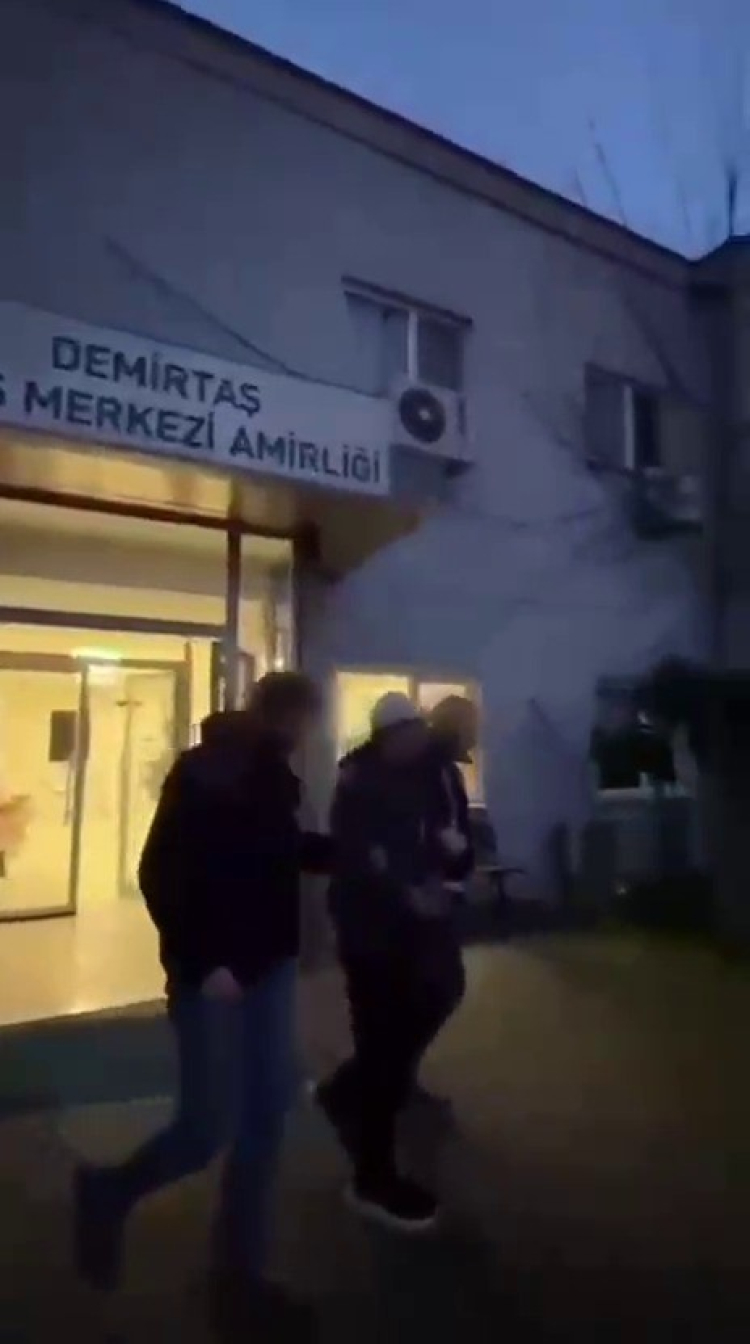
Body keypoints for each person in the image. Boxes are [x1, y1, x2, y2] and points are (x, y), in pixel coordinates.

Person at [73, 672, 329, 1329]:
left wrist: (339, 854)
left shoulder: (275, 778)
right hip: (212, 979)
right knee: (206, 1127)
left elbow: (272, 854)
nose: (311, 733)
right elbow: (159, 871)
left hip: (269, 967)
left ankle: (240, 1275)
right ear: (287, 716)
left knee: (266, 1118)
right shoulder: (207, 772)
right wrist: (204, 959)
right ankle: (108, 1192)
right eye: (308, 720)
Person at [315, 692, 467, 1234]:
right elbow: (359, 854)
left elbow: (445, 834)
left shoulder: (428, 773)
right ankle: (372, 1177)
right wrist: (407, 891)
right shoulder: (360, 781)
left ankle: (352, 1088)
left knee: (440, 992)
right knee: (380, 1042)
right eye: (405, 732)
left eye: (417, 730)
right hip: (370, 930)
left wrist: (447, 881)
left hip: (414, 924)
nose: (415, 740)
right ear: (386, 737)